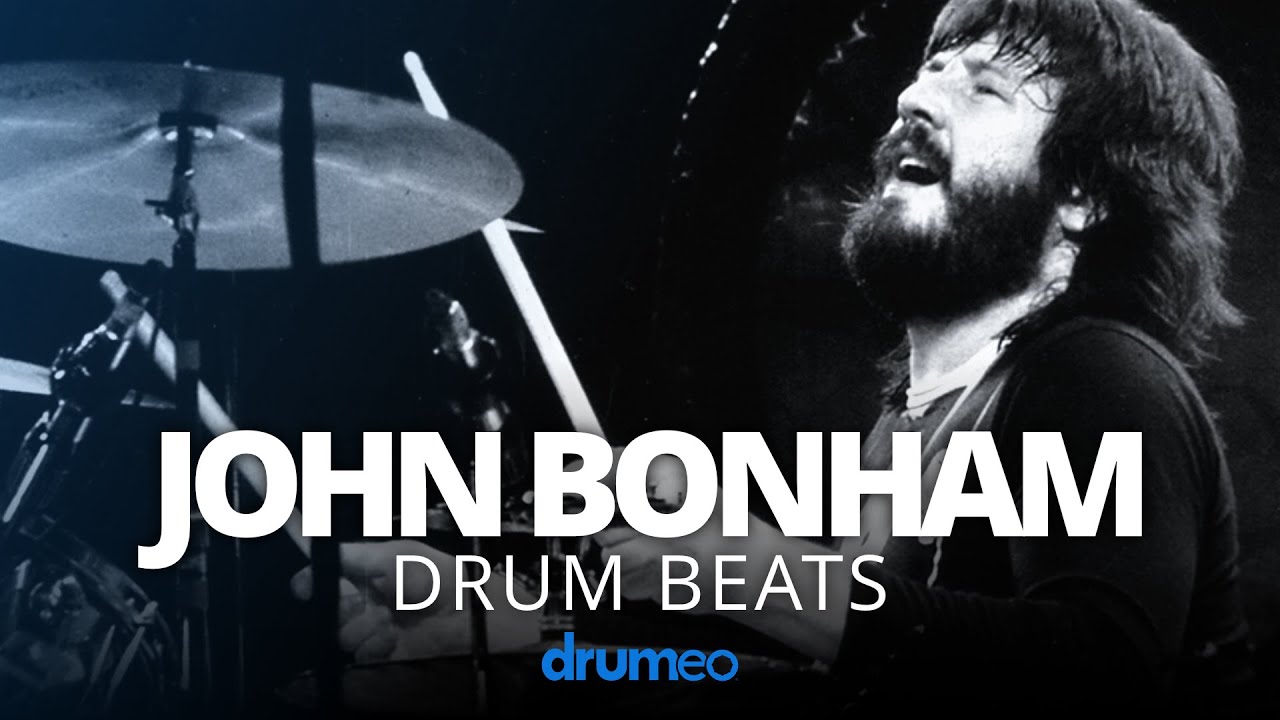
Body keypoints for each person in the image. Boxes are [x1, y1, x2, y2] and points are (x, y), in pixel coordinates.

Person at [290, 0, 1255, 710]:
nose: (914, 94)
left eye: (986, 86)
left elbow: (1102, 671)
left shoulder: (1101, 372)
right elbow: (817, 673)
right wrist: (504, 634)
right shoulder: (907, 428)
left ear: (1085, 196)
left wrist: (752, 567)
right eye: (930, 69)